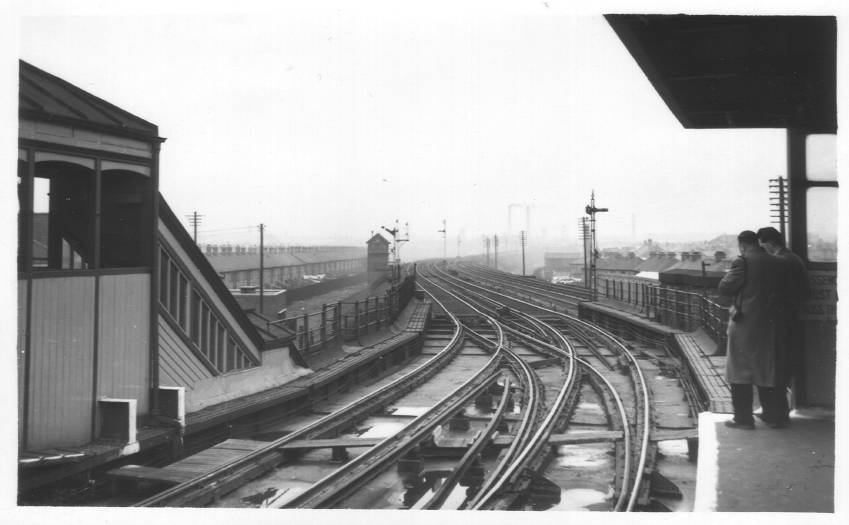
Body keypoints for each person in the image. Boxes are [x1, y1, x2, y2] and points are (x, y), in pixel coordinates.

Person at [718, 230, 788, 429]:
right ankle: (773, 416)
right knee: (767, 370)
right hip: (770, 323)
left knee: (739, 371)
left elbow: (725, 287)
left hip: (745, 324)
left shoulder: (743, 262)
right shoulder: (778, 261)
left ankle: (743, 419)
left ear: (742, 245)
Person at [756, 226, 810, 427]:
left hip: (781, 321)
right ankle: (777, 413)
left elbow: (774, 292)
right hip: (791, 318)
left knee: (776, 367)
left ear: (770, 243)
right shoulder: (793, 258)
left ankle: (778, 415)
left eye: (764, 246)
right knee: (781, 367)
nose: (764, 251)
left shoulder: (781, 261)